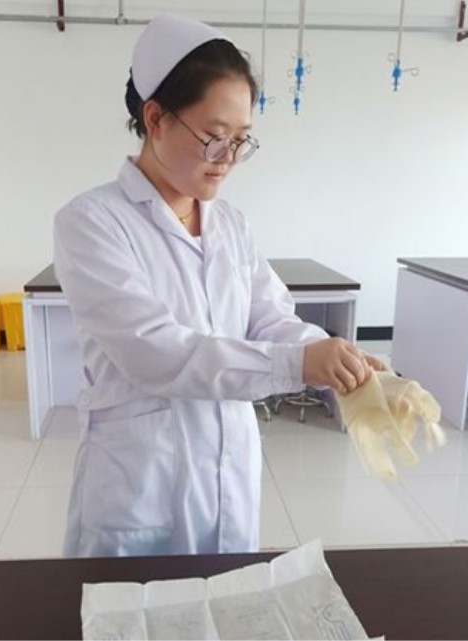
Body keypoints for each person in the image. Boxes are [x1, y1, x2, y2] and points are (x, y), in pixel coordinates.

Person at [54, 14, 385, 558]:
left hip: (229, 473)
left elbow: (269, 318)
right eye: (214, 137)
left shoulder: (230, 224)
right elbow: (154, 352)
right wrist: (297, 364)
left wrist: (335, 358)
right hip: (140, 484)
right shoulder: (91, 222)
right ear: (156, 118)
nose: (228, 159)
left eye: (241, 140)